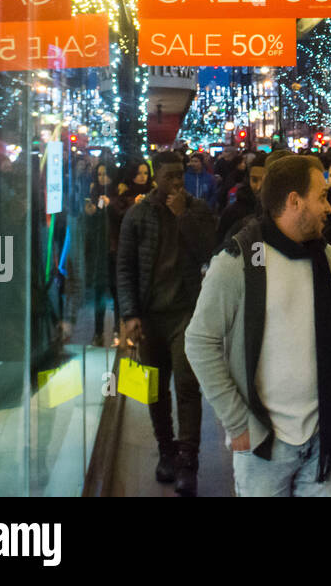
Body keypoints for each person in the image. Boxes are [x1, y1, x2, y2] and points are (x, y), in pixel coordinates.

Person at [185, 155, 331, 496]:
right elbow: (200, 341)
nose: (329, 207)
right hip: (264, 444)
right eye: (322, 197)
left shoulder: (330, 259)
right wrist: (237, 420)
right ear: (294, 201)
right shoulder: (237, 260)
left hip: (327, 438)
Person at [117, 151, 217, 496]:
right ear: (156, 177)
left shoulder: (196, 210)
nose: (177, 182)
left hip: (186, 313)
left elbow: (210, 251)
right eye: (170, 176)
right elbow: (126, 265)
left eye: (181, 176)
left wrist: (182, 219)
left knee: (187, 385)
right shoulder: (138, 214)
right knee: (154, 386)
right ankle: (166, 449)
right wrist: (130, 314)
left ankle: (189, 460)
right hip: (150, 314)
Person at [80, 161, 116, 345]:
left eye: (106, 174)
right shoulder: (94, 194)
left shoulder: (117, 193)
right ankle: (99, 331)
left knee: (116, 290)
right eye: (100, 174)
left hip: (114, 249)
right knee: (99, 290)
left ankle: (117, 330)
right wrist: (91, 213)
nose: (103, 178)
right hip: (99, 249)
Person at [217, 156, 267, 249]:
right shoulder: (233, 213)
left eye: (264, 181)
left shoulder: (280, 214)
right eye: (254, 180)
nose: (259, 187)